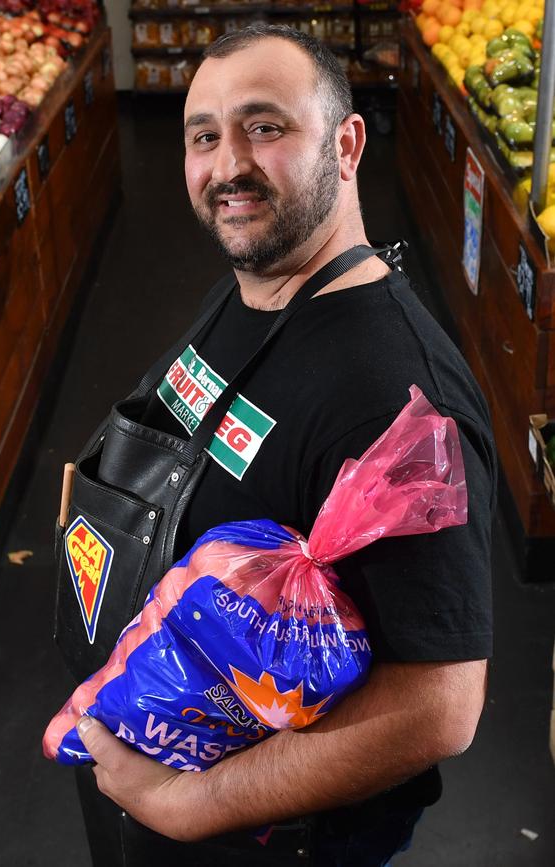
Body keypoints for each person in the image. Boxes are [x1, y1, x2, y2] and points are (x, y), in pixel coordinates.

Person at [70, 24, 496, 867]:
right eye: (204, 135)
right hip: (162, 744)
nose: (227, 164)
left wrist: (190, 802)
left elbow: (441, 702)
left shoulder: (399, 400)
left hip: (268, 832)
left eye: (265, 127)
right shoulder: (256, 287)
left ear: (346, 144)